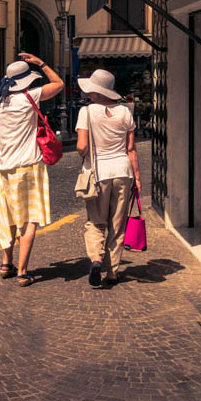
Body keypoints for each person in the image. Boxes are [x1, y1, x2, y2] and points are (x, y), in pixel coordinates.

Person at [0, 52, 64, 287]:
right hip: (30, 166)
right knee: (29, 221)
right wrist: (41, 63)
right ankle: (22, 272)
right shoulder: (31, 97)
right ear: (26, 80)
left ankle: (5, 263)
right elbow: (59, 84)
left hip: (5, 168)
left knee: (8, 218)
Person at [76, 69, 141, 287]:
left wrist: (85, 154)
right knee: (117, 223)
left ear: (96, 92)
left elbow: (82, 146)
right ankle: (112, 272)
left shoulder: (86, 112)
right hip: (123, 172)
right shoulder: (125, 112)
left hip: (98, 174)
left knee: (96, 221)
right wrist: (138, 179)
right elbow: (131, 149)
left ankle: (96, 260)